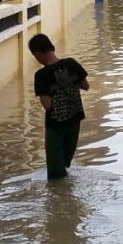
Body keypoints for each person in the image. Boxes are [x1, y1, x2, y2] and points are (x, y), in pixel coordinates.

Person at [29, 34, 89, 180]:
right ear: (52, 48)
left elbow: (47, 105)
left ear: (37, 54)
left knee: (55, 174)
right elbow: (86, 86)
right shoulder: (72, 64)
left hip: (56, 125)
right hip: (75, 119)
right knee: (65, 162)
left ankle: (58, 199)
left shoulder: (41, 75)